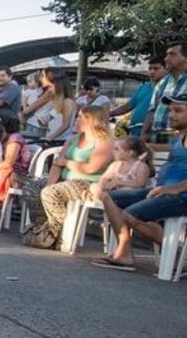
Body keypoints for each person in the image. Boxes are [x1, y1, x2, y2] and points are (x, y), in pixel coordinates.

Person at [92, 94, 187, 270]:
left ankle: (178, 253)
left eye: (178, 111)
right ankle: (125, 252)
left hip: (180, 196)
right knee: (109, 197)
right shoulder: (180, 137)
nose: (172, 115)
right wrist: (144, 147)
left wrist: (174, 188)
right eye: (171, 110)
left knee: (130, 214)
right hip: (161, 191)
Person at [22, 106, 113, 249]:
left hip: (88, 183)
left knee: (52, 193)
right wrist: (49, 183)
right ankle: (42, 226)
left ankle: (56, 233)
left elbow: (90, 168)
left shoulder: (104, 142)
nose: (76, 120)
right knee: (32, 188)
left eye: (80, 118)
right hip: (64, 180)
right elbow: (57, 164)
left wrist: (66, 163)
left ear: (92, 121)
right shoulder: (73, 139)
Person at [110, 56, 165, 138]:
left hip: (154, 134)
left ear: (167, 69)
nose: (152, 71)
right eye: (150, 69)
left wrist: (145, 131)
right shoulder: (143, 87)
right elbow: (127, 107)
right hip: (134, 132)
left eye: (156, 68)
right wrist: (108, 113)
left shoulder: (168, 89)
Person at [142, 42, 187, 143]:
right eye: (167, 55)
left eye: (172, 54)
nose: (166, 59)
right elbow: (152, 110)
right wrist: (144, 134)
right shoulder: (163, 82)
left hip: (180, 138)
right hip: (156, 137)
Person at [88, 136, 153, 203]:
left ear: (130, 153)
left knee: (127, 190)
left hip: (130, 196)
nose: (113, 151)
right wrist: (103, 184)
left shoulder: (141, 166)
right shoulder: (115, 165)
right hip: (112, 191)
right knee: (94, 186)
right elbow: (104, 177)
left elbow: (140, 184)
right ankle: (103, 196)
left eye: (116, 149)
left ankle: (102, 197)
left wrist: (118, 182)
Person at [21, 67, 76, 143]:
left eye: (43, 76)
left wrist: (49, 138)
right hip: (50, 136)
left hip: (56, 140)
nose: (40, 79)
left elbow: (66, 125)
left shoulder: (65, 101)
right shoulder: (58, 99)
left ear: (50, 77)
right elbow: (55, 121)